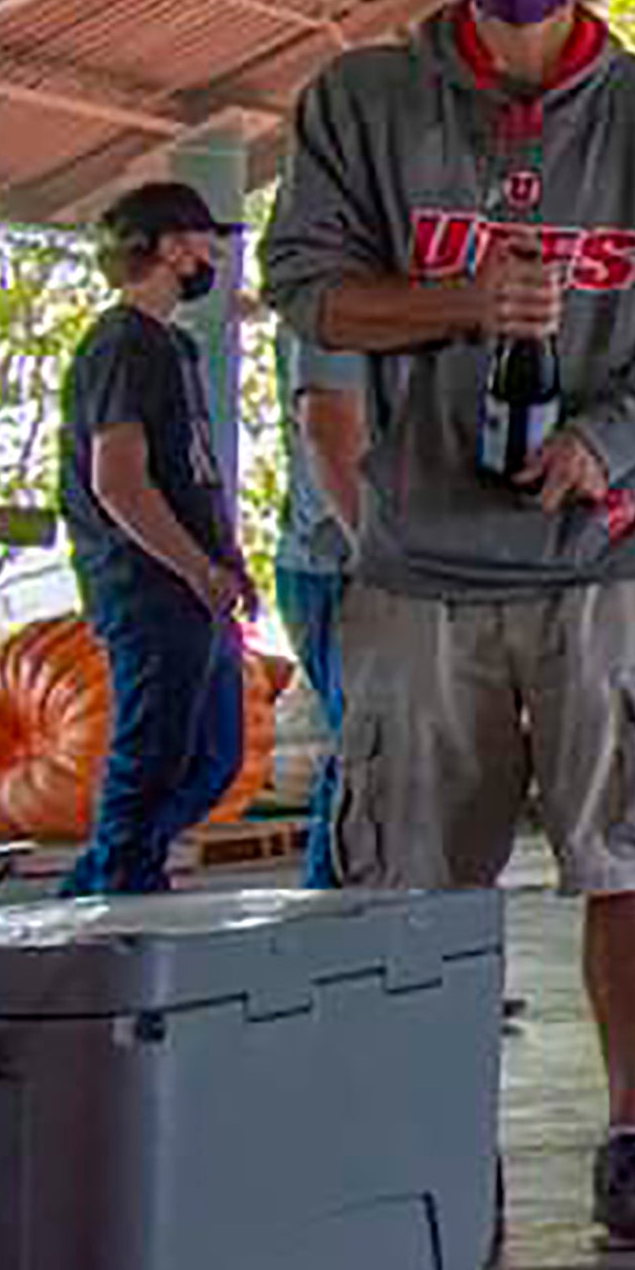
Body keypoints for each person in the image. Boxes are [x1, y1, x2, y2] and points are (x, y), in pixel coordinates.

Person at [259, 0, 635, 1252]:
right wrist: (464, 308)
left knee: (633, 843)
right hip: (420, 560)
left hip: (609, 554)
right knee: (418, 869)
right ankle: (429, 1137)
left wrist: (613, 437)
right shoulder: (360, 102)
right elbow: (311, 292)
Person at [55, 183, 256, 895]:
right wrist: (196, 569)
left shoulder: (171, 346)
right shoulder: (122, 345)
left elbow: (189, 477)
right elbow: (121, 482)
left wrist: (225, 565)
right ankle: (115, 904)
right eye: (208, 242)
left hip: (195, 588)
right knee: (153, 762)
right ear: (171, 248)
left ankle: (102, 880)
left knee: (211, 760)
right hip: (148, 590)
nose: (214, 257)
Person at [273, 310, 371, 884]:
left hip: (344, 559)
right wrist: (378, 551)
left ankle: (341, 894)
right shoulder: (334, 312)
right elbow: (328, 436)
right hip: (338, 563)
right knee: (364, 745)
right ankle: (329, 900)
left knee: (370, 745)